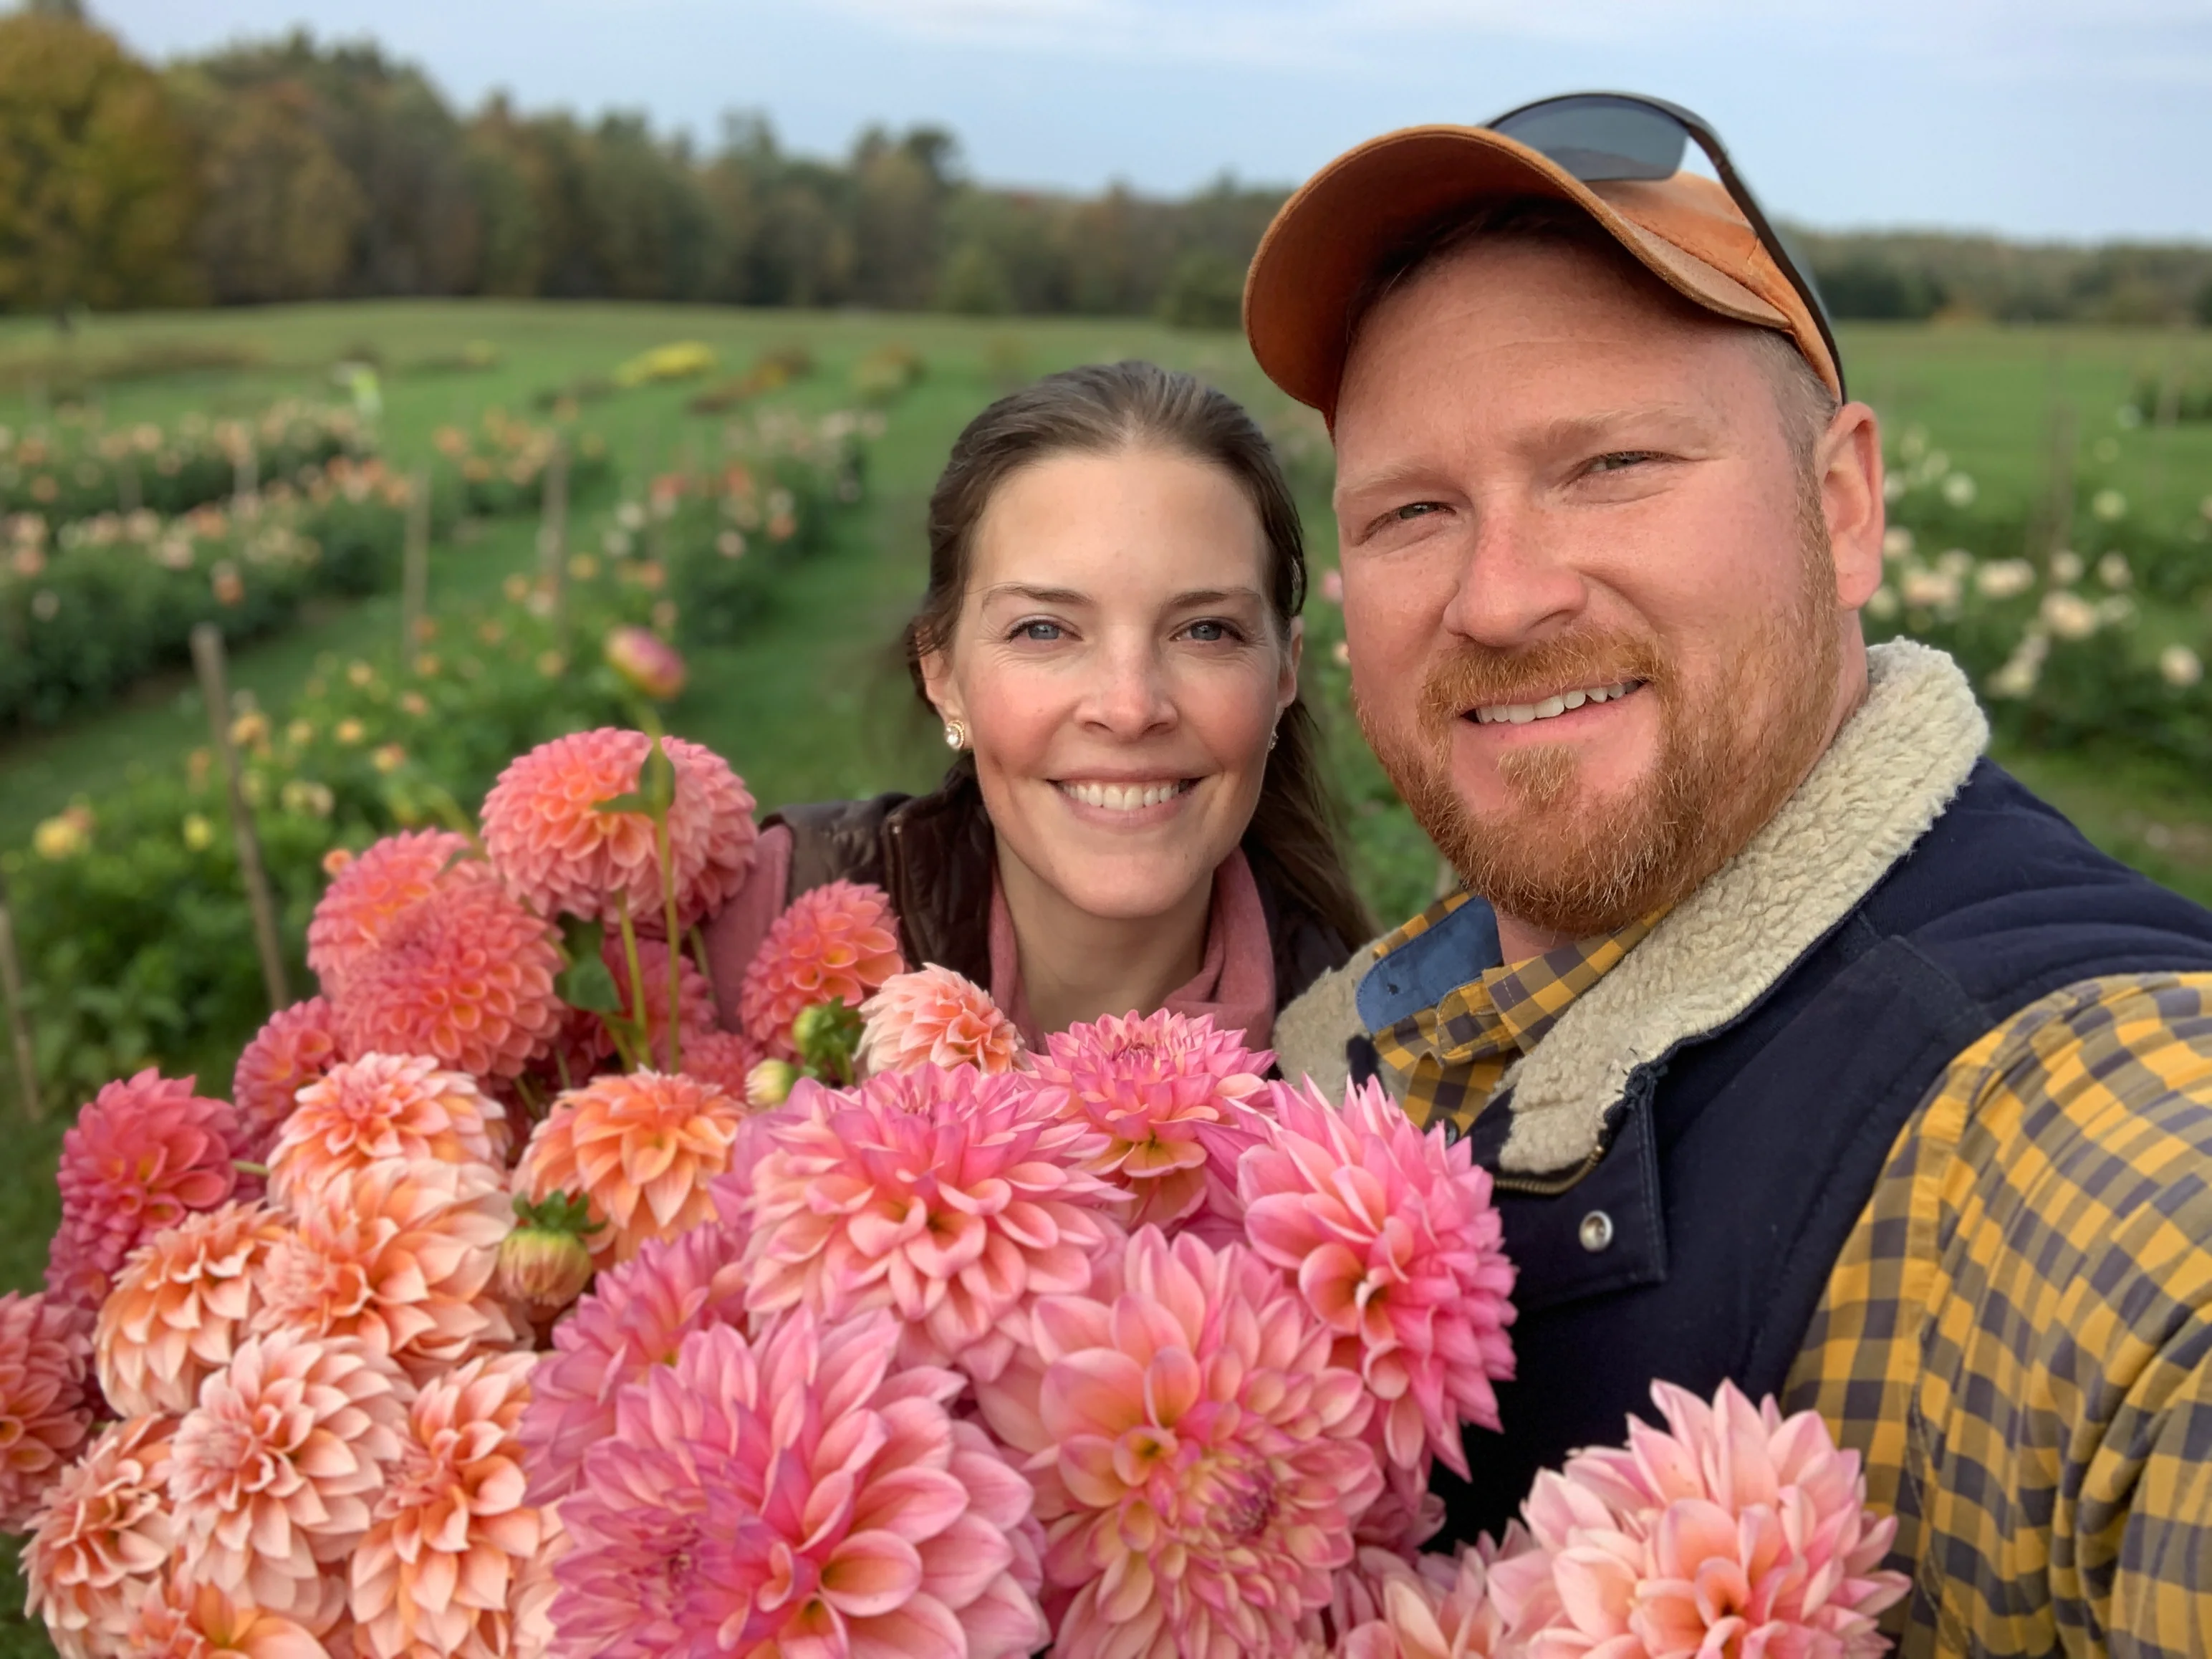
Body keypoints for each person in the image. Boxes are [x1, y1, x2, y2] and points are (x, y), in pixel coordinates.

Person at [1253, 95, 2212, 1656]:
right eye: (1414, 511)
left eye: (1611, 464)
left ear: (1839, 509)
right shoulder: (1371, 1030)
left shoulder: (2038, 1116)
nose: (1499, 596)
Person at [704, 359, 1370, 1050]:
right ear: (942, 672)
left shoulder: (1372, 1070)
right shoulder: (760, 922)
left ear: (1284, 672)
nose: (1130, 707)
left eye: (1205, 630)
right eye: (1045, 630)